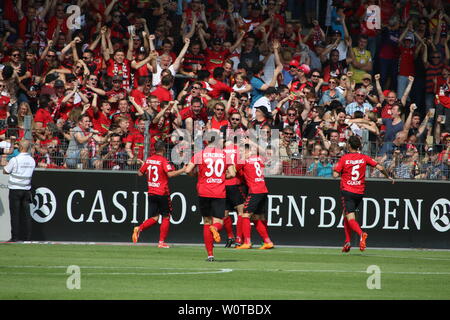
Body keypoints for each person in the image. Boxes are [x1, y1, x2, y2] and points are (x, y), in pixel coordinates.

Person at [333, 136, 394, 253]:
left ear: (349, 145)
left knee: (350, 217)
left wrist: (339, 172)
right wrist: (388, 176)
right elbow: (380, 167)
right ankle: (347, 242)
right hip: (359, 192)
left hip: (348, 191)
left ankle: (361, 234)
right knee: (346, 214)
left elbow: (335, 175)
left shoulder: (344, 158)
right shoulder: (363, 157)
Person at [184, 134, 236, 261]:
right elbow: (233, 173)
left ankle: (210, 255)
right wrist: (222, 178)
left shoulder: (200, 154)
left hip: (203, 192)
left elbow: (187, 170)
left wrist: (196, 174)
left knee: (207, 222)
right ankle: (215, 228)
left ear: (207, 142)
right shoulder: (224, 155)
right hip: (218, 192)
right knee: (219, 222)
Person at [132, 141, 186, 248]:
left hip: (151, 192)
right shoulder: (163, 160)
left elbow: (139, 173)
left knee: (155, 218)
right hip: (162, 192)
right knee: (166, 216)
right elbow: (170, 174)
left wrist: (144, 166)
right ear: (163, 149)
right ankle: (161, 242)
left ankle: (139, 228)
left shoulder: (149, 160)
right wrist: (183, 170)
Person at [234, 143, 274, 250]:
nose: (240, 153)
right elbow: (266, 153)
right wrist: (252, 143)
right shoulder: (258, 158)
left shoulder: (244, 160)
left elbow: (234, 170)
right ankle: (267, 241)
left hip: (255, 191)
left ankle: (247, 242)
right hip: (263, 189)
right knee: (258, 217)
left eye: (242, 151)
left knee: (245, 214)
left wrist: (242, 158)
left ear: (247, 151)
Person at [3, 139, 36, 242]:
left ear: (20, 147)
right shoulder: (32, 160)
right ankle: (28, 238)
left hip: (15, 190)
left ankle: (15, 237)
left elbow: (6, 171)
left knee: (15, 215)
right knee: (27, 215)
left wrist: (5, 164)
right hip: (26, 190)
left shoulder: (15, 159)